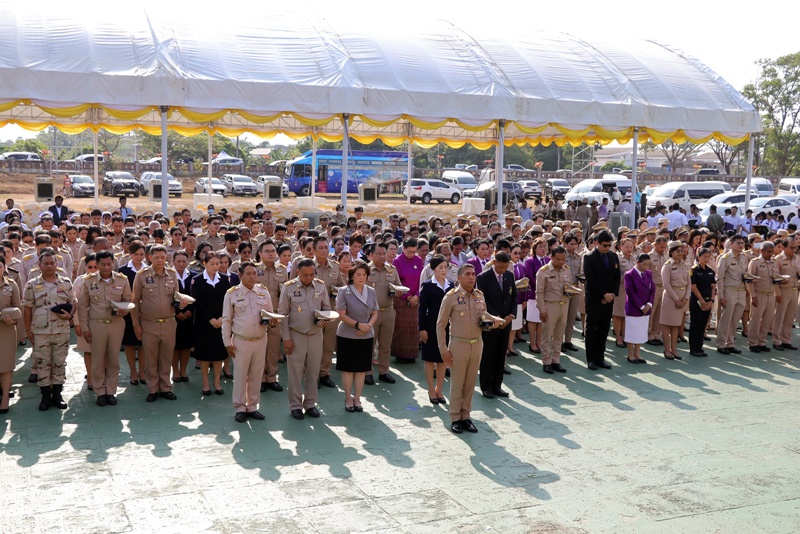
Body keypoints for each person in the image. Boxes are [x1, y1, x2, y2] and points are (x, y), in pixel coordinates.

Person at [437, 264, 501, 434]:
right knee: (457, 382)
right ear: (458, 278)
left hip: (477, 343)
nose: (471, 277)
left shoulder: (479, 296)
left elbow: (483, 317)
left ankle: (466, 416)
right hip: (459, 344)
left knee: (471, 383)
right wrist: (443, 349)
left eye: (473, 274)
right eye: (467, 274)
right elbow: (440, 325)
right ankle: (455, 417)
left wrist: (492, 322)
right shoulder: (450, 297)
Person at [222, 261, 276, 423]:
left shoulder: (263, 293)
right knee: (240, 375)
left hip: (260, 339)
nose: (253, 276)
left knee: (256, 374)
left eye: (255, 273)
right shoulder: (232, 294)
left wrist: (273, 321)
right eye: (249, 273)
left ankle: (252, 406)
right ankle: (239, 407)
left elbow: (270, 315)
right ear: (240, 275)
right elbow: (226, 320)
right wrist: (227, 342)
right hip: (241, 341)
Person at [22, 249, 75, 411]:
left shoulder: (66, 282)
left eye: (52, 263)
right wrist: (28, 331)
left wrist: (70, 316)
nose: (50, 266)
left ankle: (57, 395)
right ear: (39, 265)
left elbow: (73, 302)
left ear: (57, 264)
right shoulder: (32, 285)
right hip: (40, 331)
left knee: (59, 362)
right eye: (46, 263)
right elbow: (28, 309)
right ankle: (45, 396)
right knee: (43, 363)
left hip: (61, 330)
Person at [278, 258, 331, 420]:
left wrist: (323, 318)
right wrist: (286, 338)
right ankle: (295, 405)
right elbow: (283, 315)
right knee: (295, 372)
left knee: (313, 371)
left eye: (311, 274)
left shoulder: (320, 286)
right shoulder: (288, 288)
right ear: (297, 272)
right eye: (305, 275)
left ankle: (310, 404)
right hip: (296, 334)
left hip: (315, 334)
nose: (309, 278)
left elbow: (327, 308)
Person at [77, 250, 131, 406]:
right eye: (103, 264)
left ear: (113, 263)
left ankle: (111, 391)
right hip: (97, 324)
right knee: (98, 360)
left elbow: (128, 300)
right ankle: (100, 391)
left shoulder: (122, 280)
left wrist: (124, 309)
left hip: (116, 324)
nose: (107, 267)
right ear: (97, 264)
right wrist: (85, 328)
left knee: (114, 358)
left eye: (109, 263)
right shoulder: (88, 281)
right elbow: (82, 306)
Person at [131, 245, 180, 402]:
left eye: (163, 257)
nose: (160, 260)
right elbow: (135, 301)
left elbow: (176, 297)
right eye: (156, 257)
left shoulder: (172, 275)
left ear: (166, 257)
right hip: (149, 324)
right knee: (151, 359)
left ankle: (165, 387)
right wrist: (136, 324)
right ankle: (153, 389)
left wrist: (182, 302)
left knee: (166, 357)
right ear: (150, 258)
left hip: (169, 323)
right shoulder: (141, 276)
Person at [335, 260, 379, 413]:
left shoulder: (371, 291)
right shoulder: (344, 291)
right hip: (347, 334)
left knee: (361, 370)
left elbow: (375, 312)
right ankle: (348, 398)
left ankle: (357, 398)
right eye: (358, 274)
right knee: (348, 369)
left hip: (366, 335)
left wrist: (368, 326)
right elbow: (341, 315)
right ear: (352, 276)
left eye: (364, 275)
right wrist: (358, 325)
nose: (362, 277)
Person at [191, 251, 231, 396]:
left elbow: (228, 300)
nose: (215, 267)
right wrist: (210, 319)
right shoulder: (197, 280)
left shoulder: (226, 279)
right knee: (204, 355)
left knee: (219, 354)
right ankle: (206, 383)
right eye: (212, 264)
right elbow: (197, 302)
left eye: (217, 263)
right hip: (203, 323)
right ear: (204, 264)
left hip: (221, 321)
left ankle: (217, 382)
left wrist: (221, 318)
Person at [476, 251, 516, 398]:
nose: (503, 270)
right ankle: (486, 386)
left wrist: (511, 315)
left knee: (500, 355)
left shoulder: (509, 276)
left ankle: (497, 385)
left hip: (506, 323)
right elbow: (483, 301)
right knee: (488, 355)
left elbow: (513, 297)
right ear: (494, 263)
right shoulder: (483, 278)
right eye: (500, 267)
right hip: (491, 323)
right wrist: (496, 318)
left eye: (505, 267)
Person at [253, 239, 288, 392]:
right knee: (259, 348)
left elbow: (285, 294)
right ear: (260, 254)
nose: (270, 254)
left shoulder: (283, 270)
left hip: (275, 314)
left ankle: (272, 377)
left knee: (273, 348)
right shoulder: (253, 269)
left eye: (273, 251)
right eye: (267, 251)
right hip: (256, 315)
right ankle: (259, 378)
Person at [582, 230, 620, 370]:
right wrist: (603, 294)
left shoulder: (613, 256)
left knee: (604, 329)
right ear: (597, 243)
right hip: (595, 298)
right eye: (604, 245)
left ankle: (600, 357)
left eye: (609, 245)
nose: (607, 248)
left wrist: (613, 294)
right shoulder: (589, 257)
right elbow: (591, 279)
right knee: (592, 328)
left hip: (609, 299)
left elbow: (617, 277)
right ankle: (591, 359)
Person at [419, 255, 454, 404]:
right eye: (440, 267)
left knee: (442, 359)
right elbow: (422, 309)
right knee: (429, 359)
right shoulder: (428, 286)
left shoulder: (451, 286)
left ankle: (439, 389)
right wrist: (422, 328)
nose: (443, 270)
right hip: (431, 326)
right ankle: (430, 389)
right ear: (433, 269)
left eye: (445, 267)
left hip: (446, 327)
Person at [366, 242, 402, 385]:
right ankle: (368, 372)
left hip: (388, 311)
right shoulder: (366, 270)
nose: (382, 256)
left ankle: (384, 371)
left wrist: (399, 291)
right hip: (371, 313)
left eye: (383, 253)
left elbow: (399, 286)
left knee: (386, 344)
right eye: (378, 253)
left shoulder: (392, 270)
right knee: (370, 344)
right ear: (372, 254)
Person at [535, 246, 573, 374]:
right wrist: (542, 310)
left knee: (559, 335)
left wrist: (571, 292)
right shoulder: (543, 271)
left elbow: (570, 287)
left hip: (564, 304)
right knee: (546, 335)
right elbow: (539, 292)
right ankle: (546, 361)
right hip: (550, 305)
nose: (561, 262)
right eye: (558, 259)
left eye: (563, 259)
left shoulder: (566, 270)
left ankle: (556, 360)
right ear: (551, 257)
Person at [391, 237, 423, 362]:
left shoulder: (418, 260)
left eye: (414, 251)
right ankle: (400, 354)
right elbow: (396, 281)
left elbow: (421, 279)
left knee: (413, 327)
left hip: (415, 298)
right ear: (403, 249)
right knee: (401, 328)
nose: (412, 254)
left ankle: (411, 354)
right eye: (409, 251)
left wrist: (416, 295)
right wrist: (408, 296)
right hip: (402, 299)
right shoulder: (397, 261)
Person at [118, 241, 146, 385]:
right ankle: (133, 372)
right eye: (136, 254)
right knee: (129, 343)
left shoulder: (148, 269)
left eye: (142, 254)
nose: (139, 257)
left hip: (146, 311)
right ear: (130, 254)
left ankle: (142, 371)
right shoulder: (123, 270)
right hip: (129, 311)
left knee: (142, 343)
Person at [715, 235, 748, 355]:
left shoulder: (744, 257)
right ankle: (721, 343)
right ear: (732, 244)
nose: (741, 245)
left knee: (735, 319)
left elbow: (745, 274)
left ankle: (730, 343)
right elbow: (719, 278)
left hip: (741, 290)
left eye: (742, 243)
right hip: (729, 290)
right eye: (738, 243)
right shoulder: (725, 258)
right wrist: (721, 295)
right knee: (726, 319)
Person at [747, 241, 779, 353]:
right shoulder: (755, 262)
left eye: (772, 252)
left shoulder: (774, 262)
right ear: (761, 251)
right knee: (755, 319)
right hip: (759, 293)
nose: (771, 254)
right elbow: (749, 281)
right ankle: (752, 343)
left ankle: (761, 341)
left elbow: (776, 278)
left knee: (767, 320)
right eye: (768, 252)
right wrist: (753, 296)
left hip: (771, 294)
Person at [660, 240, 690, 360]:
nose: (680, 252)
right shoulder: (667, 266)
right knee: (667, 325)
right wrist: (677, 299)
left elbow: (689, 283)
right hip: (670, 298)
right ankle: (667, 350)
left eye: (681, 250)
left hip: (682, 298)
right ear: (671, 252)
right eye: (677, 251)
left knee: (676, 325)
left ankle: (674, 350)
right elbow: (666, 284)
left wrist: (686, 298)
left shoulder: (685, 265)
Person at [71, 254, 98, 391]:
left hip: (101, 321)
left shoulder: (107, 280)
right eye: (90, 267)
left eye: (96, 267)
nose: (93, 270)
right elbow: (75, 304)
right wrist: (77, 323)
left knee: (103, 351)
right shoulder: (79, 281)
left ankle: (101, 376)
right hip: (84, 321)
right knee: (88, 351)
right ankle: (91, 377)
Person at [623, 254, 655, 364]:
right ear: (637, 262)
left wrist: (649, 304)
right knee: (632, 332)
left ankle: (637, 353)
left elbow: (653, 290)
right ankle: (630, 354)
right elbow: (630, 292)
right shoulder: (629, 275)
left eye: (648, 265)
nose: (646, 267)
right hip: (634, 308)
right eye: (644, 264)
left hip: (646, 308)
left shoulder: (648, 273)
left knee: (641, 331)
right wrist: (641, 306)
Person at [0, 257, 20, 414]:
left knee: (6, 365)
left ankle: (5, 397)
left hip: (5, 330)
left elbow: (17, 308)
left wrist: (12, 320)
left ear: (4, 267)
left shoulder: (11, 285)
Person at [772, 238, 799, 351]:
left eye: (795, 247)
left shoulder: (797, 258)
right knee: (779, 316)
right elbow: (774, 278)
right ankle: (776, 341)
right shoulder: (778, 260)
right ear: (784, 247)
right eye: (791, 247)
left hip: (794, 290)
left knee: (790, 317)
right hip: (783, 290)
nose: (794, 250)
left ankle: (786, 340)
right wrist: (777, 293)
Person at [689, 248, 716, 357]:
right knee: (695, 324)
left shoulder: (710, 271)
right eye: (704, 256)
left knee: (703, 324)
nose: (706, 259)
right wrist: (702, 300)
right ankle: (693, 348)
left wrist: (711, 300)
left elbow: (713, 287)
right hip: (697, 301)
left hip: (708, 301)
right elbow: (694, 287)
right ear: (698, 257)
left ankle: (700, 346)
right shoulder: (694, 270)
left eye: (708, 257)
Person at [171, 250, 194, 382]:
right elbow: (166, 297)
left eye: (184, 261)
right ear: (173, 261)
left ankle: (183, 370)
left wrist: (190, 311)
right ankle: (175, 370)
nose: (181, 263)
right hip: (174, 316)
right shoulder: (169, 276)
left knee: (186, 345)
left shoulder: (193, 276)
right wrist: (177, 313)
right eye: (178, 261)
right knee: (175, 345)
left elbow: (196, 296)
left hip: (189, 316)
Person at [613, 238, 636, 348]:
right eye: (626, 247)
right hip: (621, 288)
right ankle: (618, 337)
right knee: (618, 314)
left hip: (631, 289)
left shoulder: (634, 257)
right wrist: (626, 276)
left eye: (631, 247)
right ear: (620, 247)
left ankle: (626, 335)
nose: (629, 249)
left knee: (627, 314)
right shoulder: (617, 258)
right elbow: (614, 275)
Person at [646, 236, 668, 346]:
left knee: (660, 313)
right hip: (652, 288)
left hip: (663, 287)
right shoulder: (649, 257)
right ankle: (648, 335)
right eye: (661, 247)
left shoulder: (666, 257)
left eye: (665, 247)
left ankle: (656, 334)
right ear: (655, 245)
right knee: (651, 312)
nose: (663, 249)